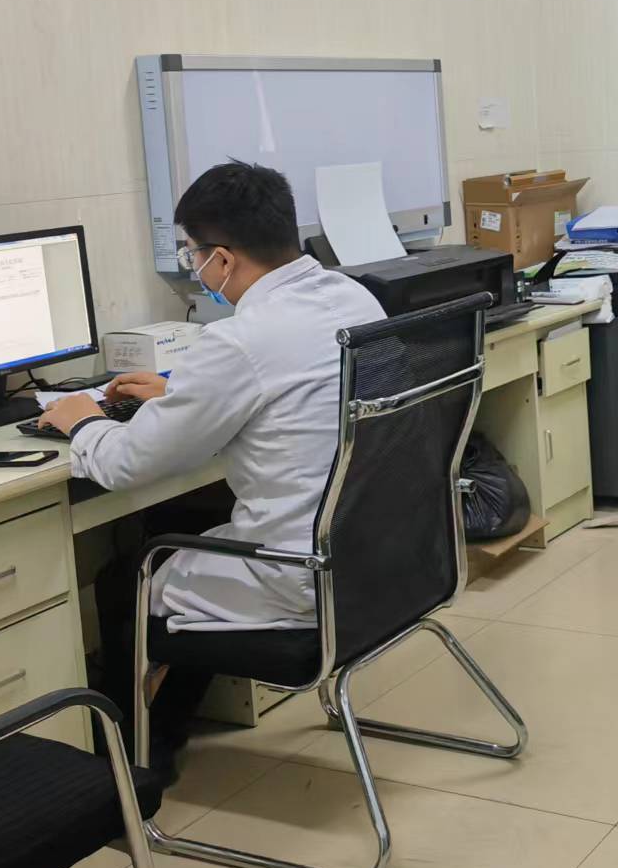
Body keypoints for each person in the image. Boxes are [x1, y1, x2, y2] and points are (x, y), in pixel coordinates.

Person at [40, 161, 384, 778]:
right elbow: (289, 398)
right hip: (379, 555)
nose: (194, 266)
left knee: (128, 580)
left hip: (301, 576)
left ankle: (133, 765)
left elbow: (125, 463)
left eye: (193, 254)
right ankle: (163, 733)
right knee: (181, 532)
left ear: (221, 259)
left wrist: (80, 419)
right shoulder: (354, 297)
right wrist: (182, 394)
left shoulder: (240, 342)